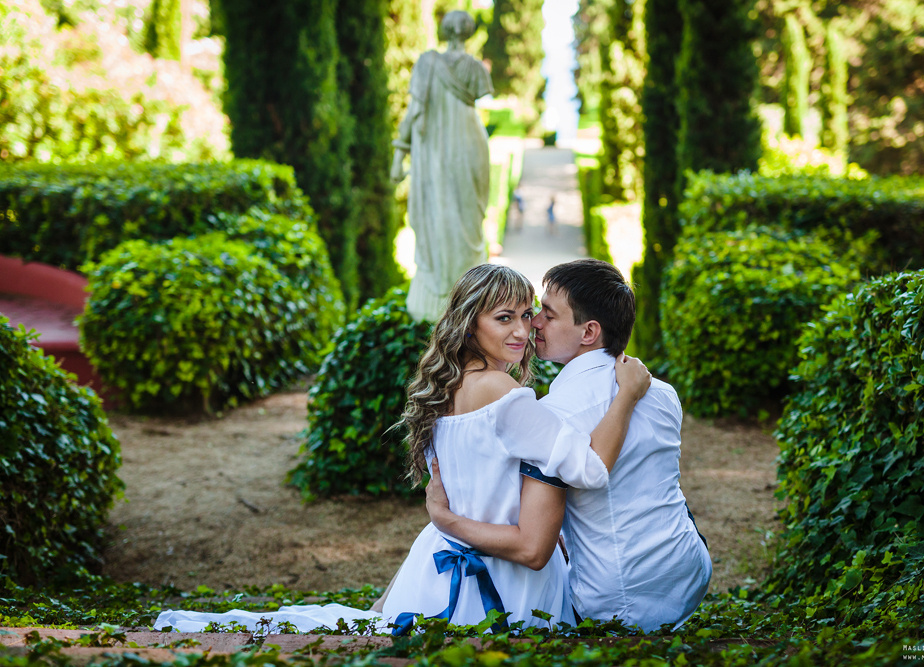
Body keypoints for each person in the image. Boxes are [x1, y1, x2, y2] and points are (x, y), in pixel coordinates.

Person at [154, 264, 651, 634]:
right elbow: (586, 469)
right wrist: (626, 395)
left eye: (527, 314)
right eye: (504, 318)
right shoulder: (502, 392)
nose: (523, 330)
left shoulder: (450, 386)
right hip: (503, 581)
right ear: (468, 322)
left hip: (438, 560)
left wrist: (445, 523)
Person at [425, 259, 712, 632]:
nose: (534, 325)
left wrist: (446, 520)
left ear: (588, 332)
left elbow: (551, 520)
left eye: (546, 313)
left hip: (614, 596)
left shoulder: (553, 413)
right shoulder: (663, 393)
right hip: (690, 572)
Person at [391, 10, 492, 323]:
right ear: (470, 32)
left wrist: (399, 154)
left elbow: (414, 111)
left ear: (444, 29)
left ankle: (444, 301)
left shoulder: (427, 62)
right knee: (465, 222)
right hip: (469, 146)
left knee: (440, 221)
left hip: (438, 151)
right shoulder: (474, 67)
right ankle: (467, 301)